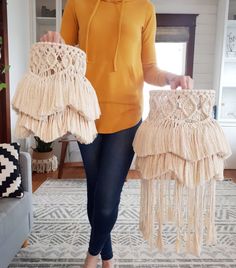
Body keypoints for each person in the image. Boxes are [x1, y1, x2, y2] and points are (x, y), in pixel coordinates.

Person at [40, 0, 194, 267]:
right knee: (96, 192)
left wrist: (171, 78)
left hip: (126, 116)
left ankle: (91, 257)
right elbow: (64, 56)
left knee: (106, 199)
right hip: (85, 114)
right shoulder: (78, 3)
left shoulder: (143, 8)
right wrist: (54, 43)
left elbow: (149, 69)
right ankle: (108, 258)